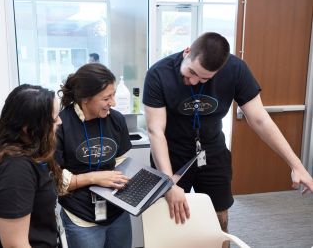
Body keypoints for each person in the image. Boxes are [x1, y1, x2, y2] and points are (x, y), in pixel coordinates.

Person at [143, 32, 313, 248]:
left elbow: (260, 120)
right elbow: (156, 131)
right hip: (171, 155)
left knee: (218, 226)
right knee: (171, 224)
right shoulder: (159, 73)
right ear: (187, 52)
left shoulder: (236, 69)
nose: (194, 81)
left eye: (204, 79)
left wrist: (296, 164)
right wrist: (168, 183)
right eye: (191, 72)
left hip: (213, 154)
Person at [0, 84, 65, 248]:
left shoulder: (29, 150)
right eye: (54, 119)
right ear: (29, 128)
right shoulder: (15, 170)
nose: (60, 121)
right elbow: (15, 245)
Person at [55, 63, 132, 248]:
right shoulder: (60, 125)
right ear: (85, 98)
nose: (113, 103)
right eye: (106, 98)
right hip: (81, 217)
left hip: (118, 212)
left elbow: (121, 160)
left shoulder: (116, 120)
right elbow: (56, 180)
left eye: (113, 95)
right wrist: (94, 178)